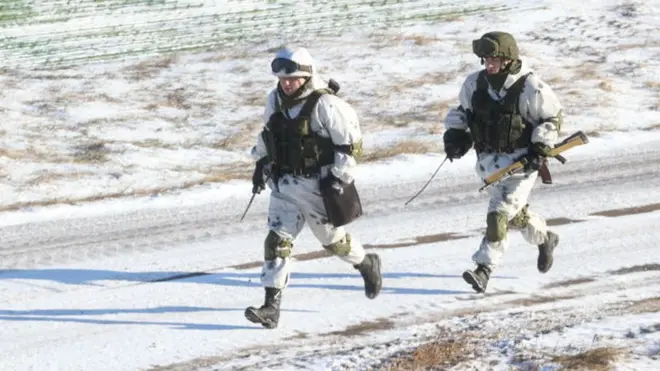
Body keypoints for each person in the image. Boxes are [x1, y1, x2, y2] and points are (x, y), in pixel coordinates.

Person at [244, 46, 382, 329]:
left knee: (334, 243)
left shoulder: (328, 106)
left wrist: (338, 178)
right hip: (284, 186)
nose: (286, 83)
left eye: (293, 78)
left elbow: (350, 146)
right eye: (282, 78)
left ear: (307, 76)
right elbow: (269, 133)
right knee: (276, 241)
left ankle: (366, 263)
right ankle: (271, 307)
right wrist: (260, 163)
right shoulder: (276, 100)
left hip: (317, 187)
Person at [443, 31, 563, 293]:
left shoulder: (530, 87)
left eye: (495, 59)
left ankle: (483, 270)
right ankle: (545, 238)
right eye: (486, 59)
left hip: (521, 165)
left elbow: (552, 118)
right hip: (489, 164)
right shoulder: (475, 84)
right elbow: (462, 113)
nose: (489, 64)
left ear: (508, 59)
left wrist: (540, 147)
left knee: (498, 217)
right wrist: (455, 136)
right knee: (515, 215)